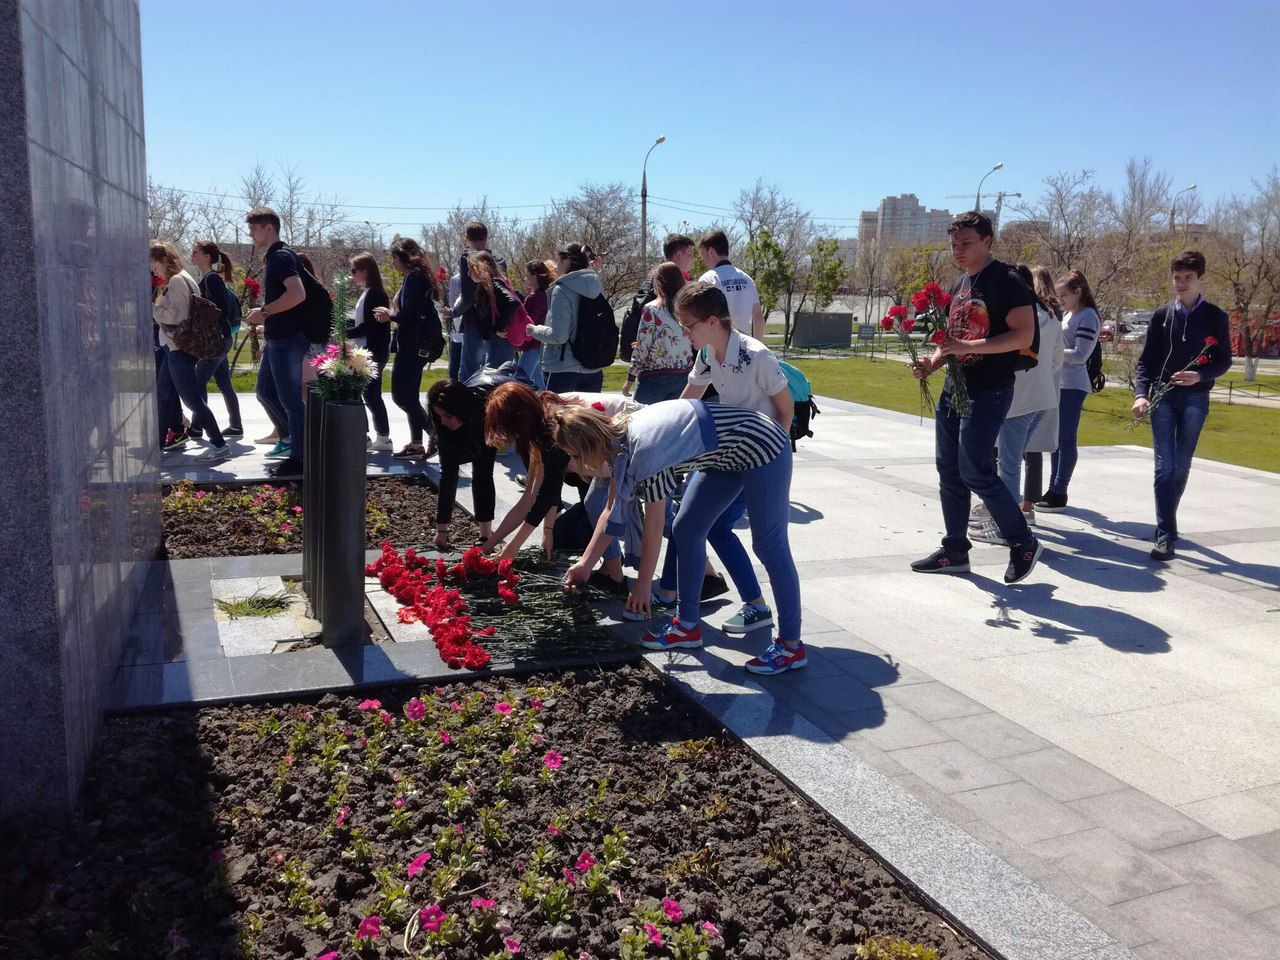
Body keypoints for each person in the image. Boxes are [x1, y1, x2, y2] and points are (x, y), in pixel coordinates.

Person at [557, 398, 805, 676]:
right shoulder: (617, 442)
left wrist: (643, 585)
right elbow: (610, 510)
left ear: (589, 445)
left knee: (769, 546)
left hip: (762, 445)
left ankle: (791, 647)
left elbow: (654, 524)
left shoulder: (644, 452)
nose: (573, 464)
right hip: (724, 457)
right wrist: (585, 564)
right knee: (686, 529)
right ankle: (687, 627)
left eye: (574, 457)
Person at [645, 280, 791, 635]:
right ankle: (693, 623)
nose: (684, 334)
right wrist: (659, 430)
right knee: (691, 526)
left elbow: (785, 412)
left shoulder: (756, 355)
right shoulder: (708, 353)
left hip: (762, 457)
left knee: (762, 544)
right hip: (727, 455)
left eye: (688, 326)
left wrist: (771, 464)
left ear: (712, 321)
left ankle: (779, 629)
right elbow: (688, 399)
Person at [907, 211, 1043, 584]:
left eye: (965, 243)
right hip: (954, 389)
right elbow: (950, 341)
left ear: (986, 241)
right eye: (954, 244)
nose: (958, 250)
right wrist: (931, 364)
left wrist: (967, 346)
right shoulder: (960, 283)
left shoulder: (1007, 281)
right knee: (949, 469)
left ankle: (1023, 542)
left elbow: (1023, 335)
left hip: (990, 389)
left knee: (975, 470)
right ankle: (955, 550)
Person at [481, 384, 635, 586]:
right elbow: (530, 498)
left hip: (629, 440)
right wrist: (488, 546)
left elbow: (547, 494)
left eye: (510, 431)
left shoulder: (552, 429)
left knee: (604, 508)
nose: (511, 438)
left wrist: (513, 547)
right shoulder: (537, 419)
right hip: (606, 456)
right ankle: (612, 569)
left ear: (518, 421)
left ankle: (616, 573)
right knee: (594, 506)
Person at [1133, 249, 1232, 560]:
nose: (1181, 283)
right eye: (1177, 278)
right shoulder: (1162, 316)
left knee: (1180, 466)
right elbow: (1146, 362)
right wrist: (1141, 394)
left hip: (1196, 398)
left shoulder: (1216, 316)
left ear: (1201, 279)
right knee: (1164, 467)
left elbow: (1224, 360)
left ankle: (1166, 524)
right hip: (1162, 397)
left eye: (1188, 277)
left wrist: (1199, 375)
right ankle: (1165, 535)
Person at [970, 264, 1063, 544]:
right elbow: (1057, 361)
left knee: (1009, 465)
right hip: (1043, 399)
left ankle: (1007, 527)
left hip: (1019, 401)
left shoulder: (1019, 319)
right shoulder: (1050, 316)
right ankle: (1001, 512)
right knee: (1011, 459)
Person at [150, 242, 231, 463]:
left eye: (155, 267)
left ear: (164, 261)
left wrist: (153, 309)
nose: (154, 272)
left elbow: (177, 316)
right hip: (173, 349)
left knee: (192, 400)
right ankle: (157, 448)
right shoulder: (181, 277)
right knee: (163, 396)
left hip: (179, 350)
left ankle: (219, 444)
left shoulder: (177, 280)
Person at [243, 207, 309, 477]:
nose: (251, 234)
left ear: (269, 228)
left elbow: (298, 294)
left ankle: (301, 456)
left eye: (254, 229)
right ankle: (297, 439)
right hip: (277, 338)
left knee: (290, 399)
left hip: (288, 338)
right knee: (265, 392)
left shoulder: (281, 256)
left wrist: (265, 311)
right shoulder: (276, 257)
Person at [1035, 269, 1101, 512]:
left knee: (1065, 438)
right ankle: (1053, 488)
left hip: (1073, 384)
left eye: (1064, 295)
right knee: (1056, 438)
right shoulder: (1070, 315)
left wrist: (1051, 352)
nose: (1060, 300)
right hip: (1060, 382)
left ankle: (1060, 490)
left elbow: (1080, 354)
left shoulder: (1088, 316)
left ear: (1078, 292)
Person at [375, 238, 441, 460]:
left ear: (404, 256)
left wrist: (390, 315)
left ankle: (437, 435)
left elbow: (409, 316)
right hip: (416, 346)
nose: (392, 262)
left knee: (402, 397)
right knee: (410, 397)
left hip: (412, 347)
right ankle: (416, 445)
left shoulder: (414, 278)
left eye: (394, 257)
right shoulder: (416, 277)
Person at [426, 377, 503, 551]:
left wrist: (486, 538)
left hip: (486, 423)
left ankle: (486, 533)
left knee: (482, 474)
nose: (443, 422)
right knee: (449, 474)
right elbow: (448, 477)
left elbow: (483, 477)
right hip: (466, 429)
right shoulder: (443, 427)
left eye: (447, 416)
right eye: (439, 416)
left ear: (461, 409)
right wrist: (441, 531)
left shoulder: (485, 414)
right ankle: (484, 534)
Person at [1020, 266, 1065, 525]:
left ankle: (1013, 507)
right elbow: (1057, 360)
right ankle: (1028, 507)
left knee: (1011, 451)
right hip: (1045, 390)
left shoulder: (1033, 315)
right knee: (1033, 452)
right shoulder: (1055, 317)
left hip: (1026, 389)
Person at [531, 242, 608, 393]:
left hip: (565, 367)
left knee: (553, 408)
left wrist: (534, 330)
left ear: (567, 260)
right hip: (593, 366)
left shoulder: (561, 290)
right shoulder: (596, 286)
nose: (555, 266)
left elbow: (559, 336)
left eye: (558, 260)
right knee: (589, 410)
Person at [190, 241, 244, 439]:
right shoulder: (208, 278)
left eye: (196, 252)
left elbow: (223, 310)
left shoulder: (212, 279)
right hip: (221, 339)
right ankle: (236, 426)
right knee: (224, 385)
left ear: (206, 257)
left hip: (216, 341)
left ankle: (197, 427)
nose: (192, 254)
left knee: (197, 383)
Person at [623, 262, 693, 404]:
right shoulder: (688, 309)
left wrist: (630, 378)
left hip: (654, 377)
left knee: (644, 415)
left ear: (659, 283)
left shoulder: (651, 309)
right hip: (683, 374)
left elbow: (642, 348)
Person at [620, 233, 696, 361]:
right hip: (661, 358)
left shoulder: (678, 279)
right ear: (678, 255)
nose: (692, 258)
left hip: (678, 355)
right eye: (690, 254)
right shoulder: (660, 279)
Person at [347, 252, 393, 451]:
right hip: (367, 350)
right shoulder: (368, 293)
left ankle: (373, 436)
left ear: (365, 271)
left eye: (354, 270)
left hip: (371, 351)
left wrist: (344, 332)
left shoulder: (375, 294)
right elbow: (360, 321)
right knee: (368, 394)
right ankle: (378, 437)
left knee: (359, 393)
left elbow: (369, 326)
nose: (352, 275)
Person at [456, 221, 509, 381]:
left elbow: (468, 295)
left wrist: (454, 312)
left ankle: (466, 397)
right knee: (495, 372)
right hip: (495, 318)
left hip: (474, 319)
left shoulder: (467, 258)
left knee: (469, 371)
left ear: (467, 239)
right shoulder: (499, 259)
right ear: (486, 237)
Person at [698, 230, 764, 340]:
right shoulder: (747, 279)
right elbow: (758, 318)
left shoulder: (707, 279)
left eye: (703, 254)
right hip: (744, 343)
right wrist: (758, 345)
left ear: (711, 251)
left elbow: (701, 318)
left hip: (718, 345)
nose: (703, 259)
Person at [468, 251, 519, 371]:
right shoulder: (486, 286)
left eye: (471, 269)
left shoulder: (495, 284)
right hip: (495, 342)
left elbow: (512, 302)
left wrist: (499, 328)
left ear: (480, 268)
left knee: (495, 377)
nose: (468, 273)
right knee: (494, 376)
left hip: (500, 343)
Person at [518, 260, 555, 391]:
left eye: (527, 275)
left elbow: (528, 321)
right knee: (539, 386)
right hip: (538, 343)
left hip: (532, 344)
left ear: (534, 276)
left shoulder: (535, 296)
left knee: (520, 381)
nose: (525, 279)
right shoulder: (544, 294)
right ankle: (546, 401)